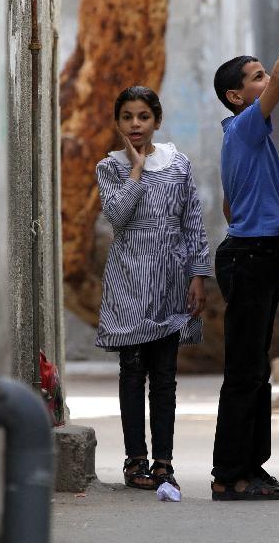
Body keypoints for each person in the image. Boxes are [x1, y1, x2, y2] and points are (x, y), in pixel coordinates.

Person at [210, 0, 279, 501]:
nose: (265, 82)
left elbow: (232, 207)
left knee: (256, 369)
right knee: (244, 371)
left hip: (256, 252)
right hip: (251, 256)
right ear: (238, 96)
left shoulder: (242, 138)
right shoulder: (248, 127)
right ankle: (230, 475)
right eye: (254, 79)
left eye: (260, 75)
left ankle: (252, 467)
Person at [95, 85, 211, 492]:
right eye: (127, 117)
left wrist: (198, 274)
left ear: (156, 121)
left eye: (143, 117)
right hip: (129, 279)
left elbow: (192, 220)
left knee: (164, 375)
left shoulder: (178, 164)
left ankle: (163, 461)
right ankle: (135, 460)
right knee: (132, 370)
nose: (135, 125)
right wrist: (137, 170)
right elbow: (118, 216)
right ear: (118, 122)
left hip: (171, 279)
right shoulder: (109, 168)